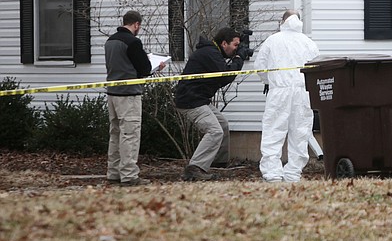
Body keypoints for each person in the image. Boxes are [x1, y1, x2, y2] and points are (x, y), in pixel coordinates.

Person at [255, 10, 320, 182]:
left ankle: (272, 173)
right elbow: (316, 68)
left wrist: (269, 81)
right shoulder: (308, 42)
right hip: (303, 91)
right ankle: (293, 172)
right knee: (300, 132)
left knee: (274, 131)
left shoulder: (273, 40)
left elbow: (260, 66)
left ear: (282, 21)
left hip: (279, 92)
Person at [174, 27, 246, 181]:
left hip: (199, 99)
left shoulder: (213, 52)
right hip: (190, 101)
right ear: (224, 43)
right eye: (235, 45)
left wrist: (237, 57)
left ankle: (217, 163)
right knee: (215, 131)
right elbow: (225, 76)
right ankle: (195, 168)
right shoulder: (210, 53)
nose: (236, 49)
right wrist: (239, 59)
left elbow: (221, 76)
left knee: (223, 125)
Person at [105, 10, 165, 187]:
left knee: (115, 133)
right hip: (129, 94)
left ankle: (113, 172)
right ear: (136, 24)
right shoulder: (133, 42)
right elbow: (144, 69)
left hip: (112, 92)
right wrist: (157, 67)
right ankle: (129, 174)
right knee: (129, 134)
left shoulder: (110, 41)